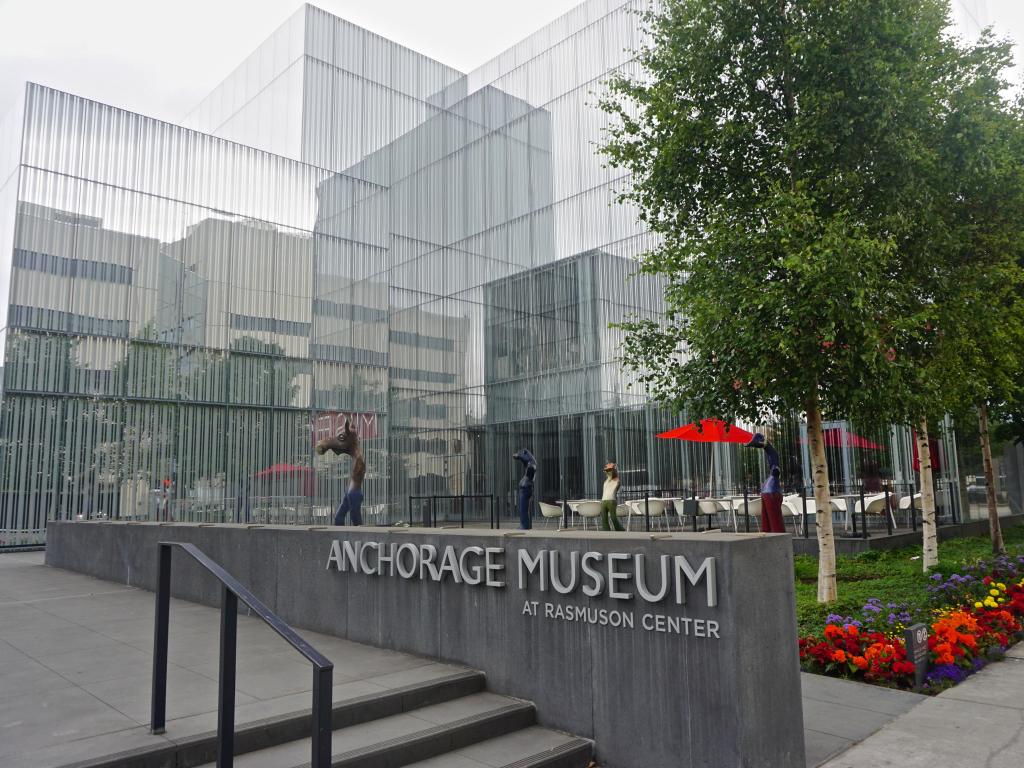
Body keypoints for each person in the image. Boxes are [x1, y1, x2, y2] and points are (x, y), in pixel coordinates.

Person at [317, 418, 365, 526]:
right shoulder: (356, 455)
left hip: (354, 493)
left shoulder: (359, 458)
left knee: (355, 517)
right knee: (339, 516)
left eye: (342, 438)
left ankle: (360, 535)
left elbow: (345, 446)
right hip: (350, 491)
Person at [745, 433, 786, 533]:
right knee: (774, 522)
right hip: (771, 492)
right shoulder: (774, 469)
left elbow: (774, 462)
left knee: (768, 522)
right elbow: (774, 462)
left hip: (768, 491)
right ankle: (776, 538)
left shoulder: (773, 471)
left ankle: (770, 538)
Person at [512, 449, 537, 530]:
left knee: (523, 509)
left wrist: (520, 456)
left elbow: (526, 461)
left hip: (526, 488)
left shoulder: (531, 466)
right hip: (525, 488)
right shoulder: (531, 465)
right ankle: (525, 524)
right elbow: (525, 461)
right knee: (523, 508)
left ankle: (524, 525)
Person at [600, 462, 625, 531]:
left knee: (613, 517)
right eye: (607, 470)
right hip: (604, 500)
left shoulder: (617, 481)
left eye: (610, 470)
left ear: (613, 470)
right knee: (604, 517)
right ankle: (606, 530)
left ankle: (620, 529)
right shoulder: (606, 481)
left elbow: (617, 486)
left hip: (611, 500)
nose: (608, 472)